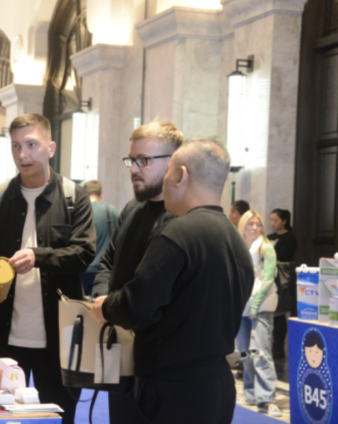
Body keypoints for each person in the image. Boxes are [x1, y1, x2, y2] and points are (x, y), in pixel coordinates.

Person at [91, 138, 254, 424]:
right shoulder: (236, 240)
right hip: (217, 384)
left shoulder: (177, 233)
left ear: (181, 175)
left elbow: (138, 306)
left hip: (174, 388)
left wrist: (105, 307)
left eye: (167, 172)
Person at [0, 113, 95, 424]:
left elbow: (83, 254)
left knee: (60, 417)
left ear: (50, 148)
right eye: (15, 146)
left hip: (59, 339)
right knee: (1, 418)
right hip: (4, 338)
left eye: (31, 144)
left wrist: (38, 257)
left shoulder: (74, 197)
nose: (22, 154)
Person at [89, 121, 182, 423]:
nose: (134, 169)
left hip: (156, 359)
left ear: (173, 162)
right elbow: (108, 261)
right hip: (118, 343)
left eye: (144, 160)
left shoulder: (180, 217)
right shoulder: (132, 208)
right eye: (131, 160)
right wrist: (103, 301)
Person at [236, 210, 281, 417]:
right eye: (250, 224)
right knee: (245, 352)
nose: (254, 228)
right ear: (243, 225)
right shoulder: (237, 246)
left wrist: (255, 305)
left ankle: (267, 398)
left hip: (261, 306)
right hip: (241, 306)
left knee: (260, 352)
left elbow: (269, 278)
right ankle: (250, 392)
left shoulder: (266, 247)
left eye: (258, 224)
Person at [81, 180, 119, 297]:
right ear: (100, 195)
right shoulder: (111, 211)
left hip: (82, 268)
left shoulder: (80, 211)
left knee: (81, 305)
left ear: (84, 194)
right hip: (103, 271)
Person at [268, 208, 297, 359]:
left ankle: (278, 348)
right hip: (267, 276)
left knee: (279, 313)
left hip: (281, 278)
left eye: (276, 220)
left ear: (284, 221)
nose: (272, 223)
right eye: (271, 220)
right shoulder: (268, 237)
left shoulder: (290, 238)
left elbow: (283, 256)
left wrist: (269, 256)